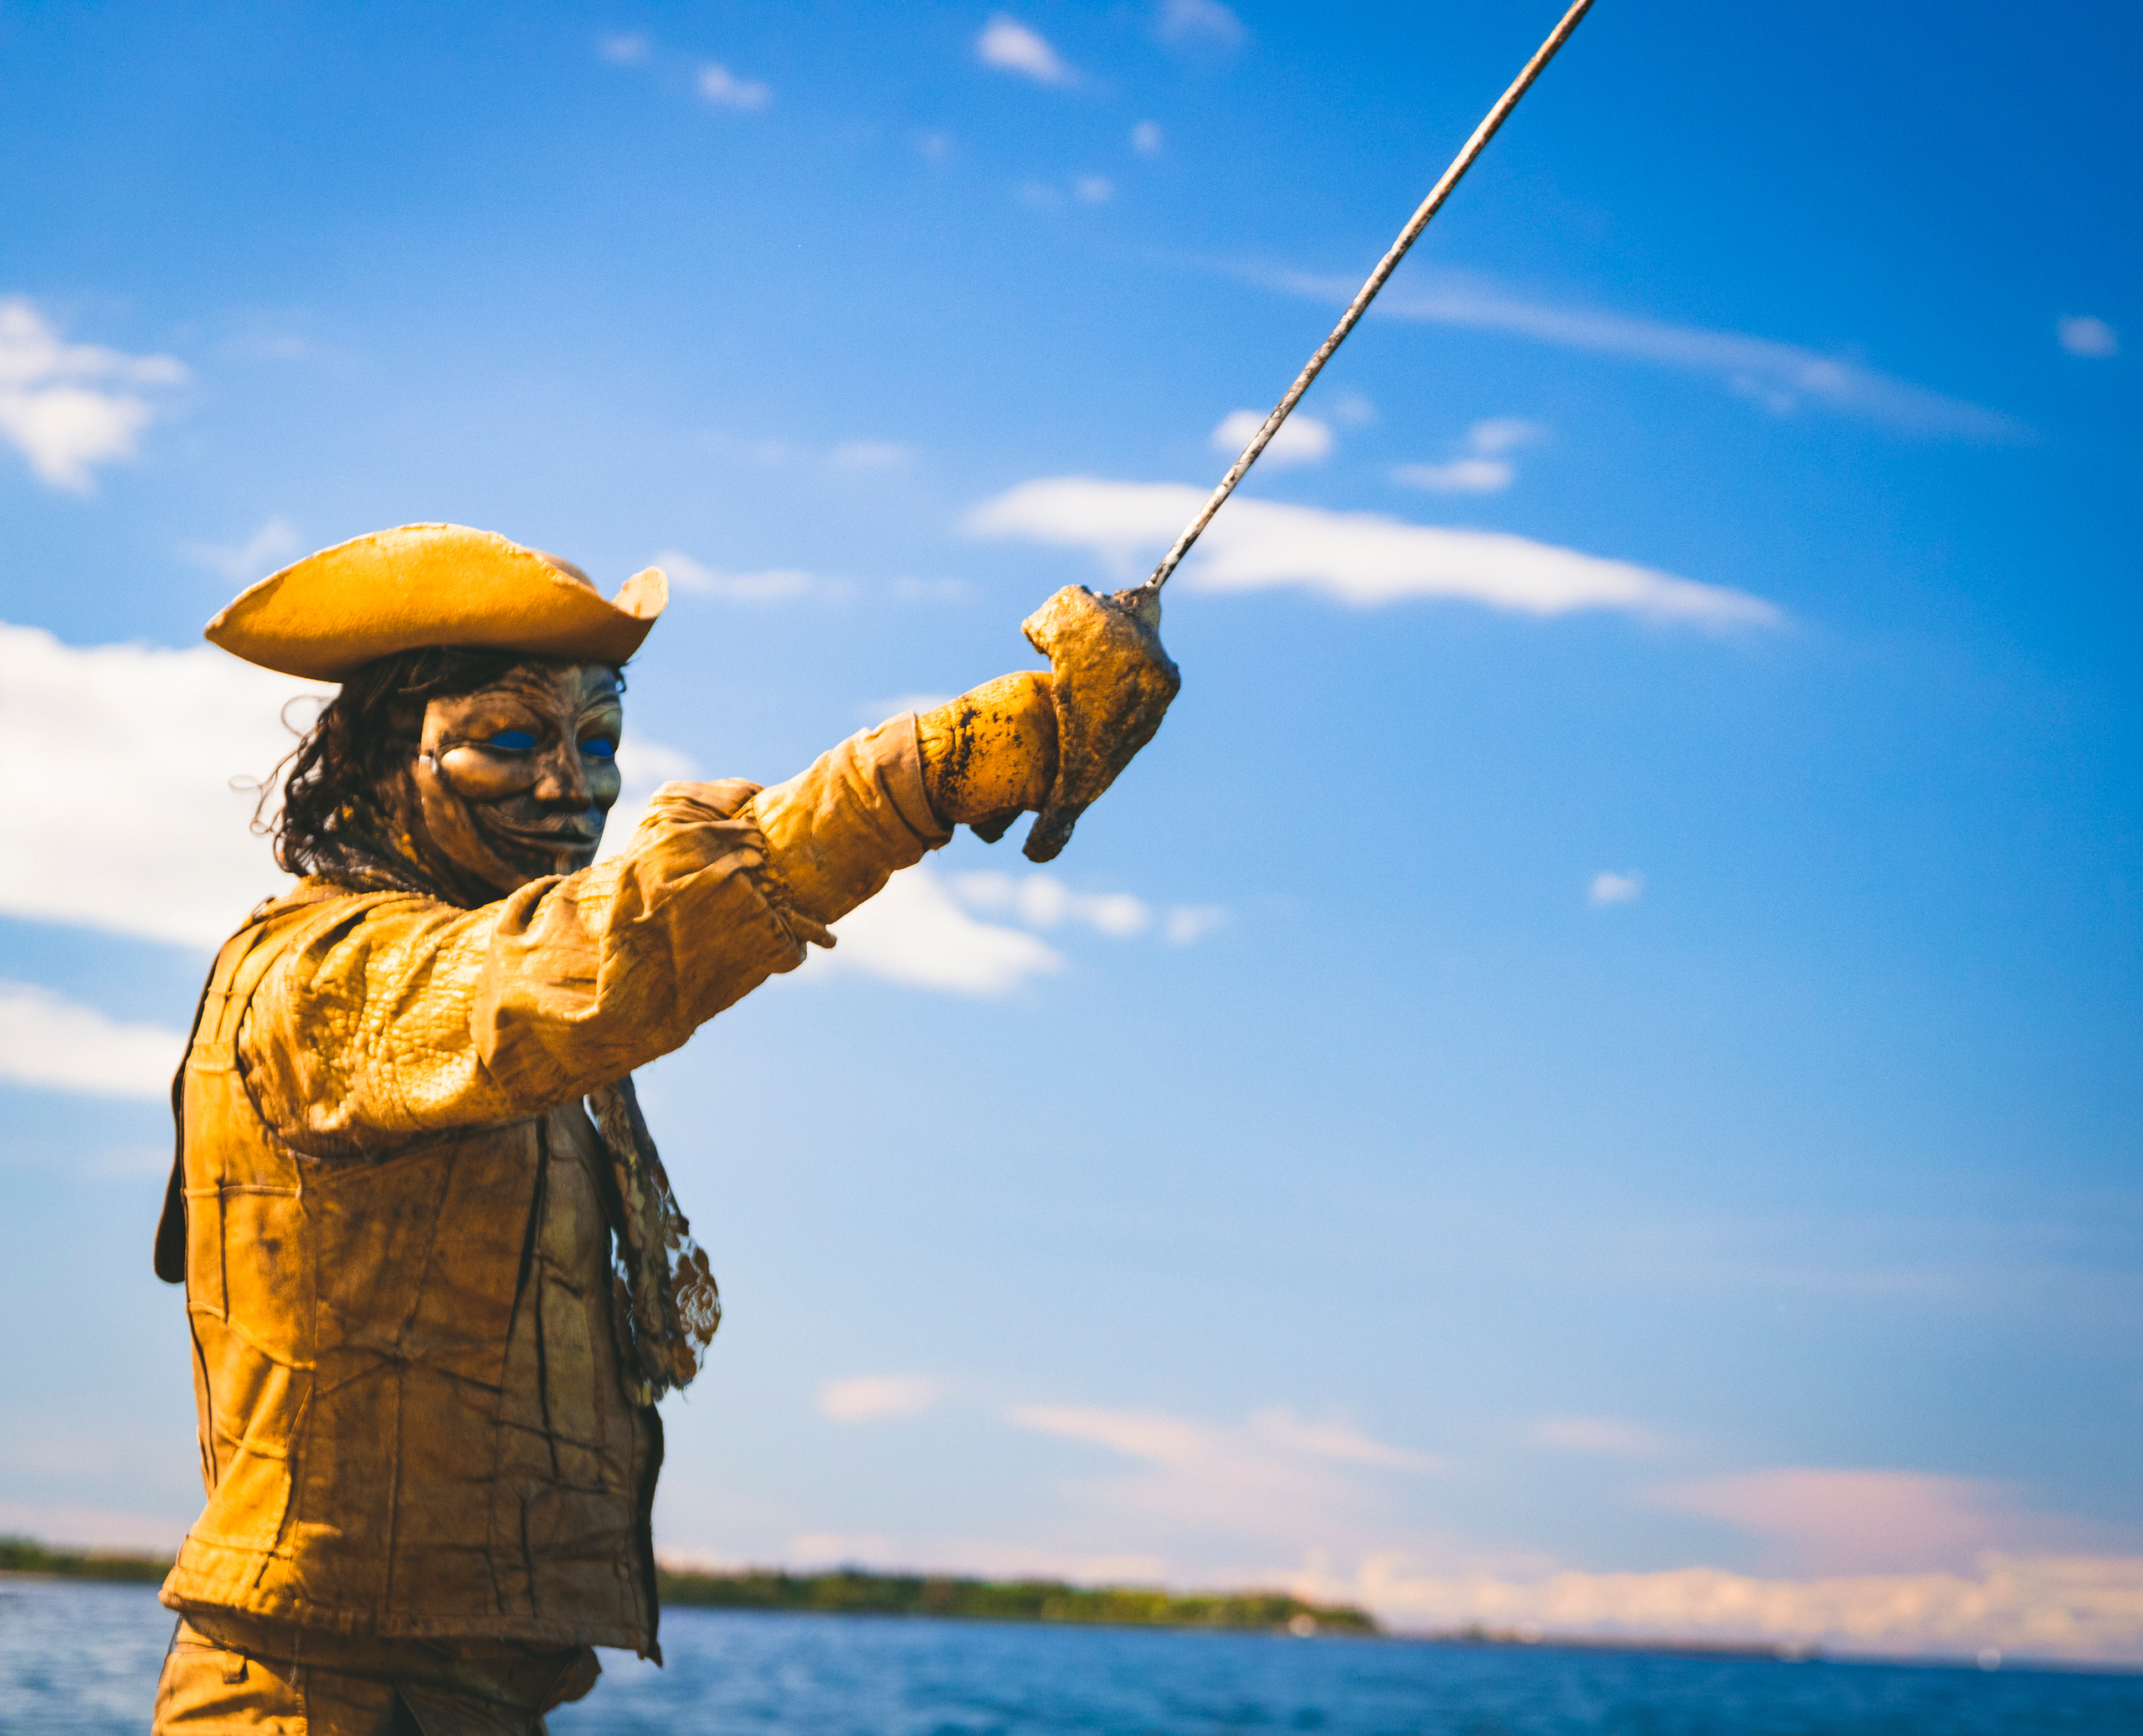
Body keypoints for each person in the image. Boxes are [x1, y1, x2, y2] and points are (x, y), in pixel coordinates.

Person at [149, 523, 1172, 1733]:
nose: (568, 785)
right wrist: (928, 772)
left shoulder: (481, 989)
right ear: (378, 763)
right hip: (313, 1701)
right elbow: (606, 953)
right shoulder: (328, 978)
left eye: (597, 743)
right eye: (511, 740)